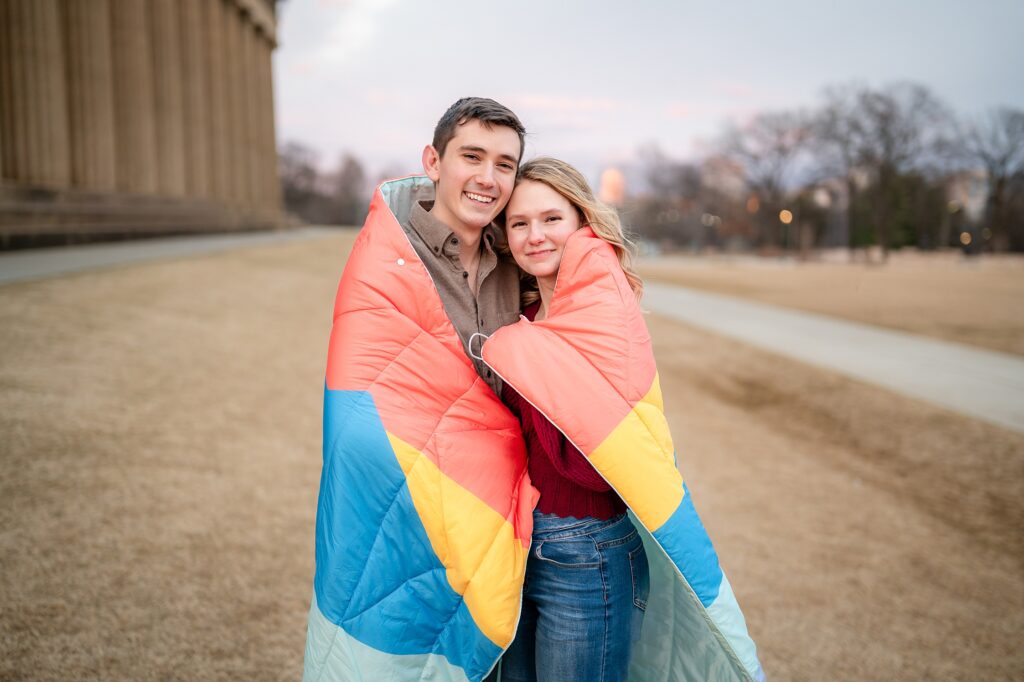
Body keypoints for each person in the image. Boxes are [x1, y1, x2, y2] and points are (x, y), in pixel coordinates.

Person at [481, 158, 767, 681]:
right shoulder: (521, 322)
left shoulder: (599, 317)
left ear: (582, 223)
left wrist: (532, 359)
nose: (535, 236)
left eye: (552, 219)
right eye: (519, 223)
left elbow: (598, 467)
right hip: (515, 547)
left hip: (588, 552)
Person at [303, 98, 539, 682]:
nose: (488, 178)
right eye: (472, 156)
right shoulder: (389, 256)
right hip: (411, 505)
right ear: (434, 160)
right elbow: (363, 409)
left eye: (505, 165)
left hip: (502, 512)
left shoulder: (519, 260)